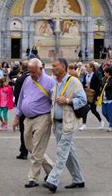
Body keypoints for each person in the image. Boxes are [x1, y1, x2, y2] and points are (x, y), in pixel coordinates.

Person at [43, 58, 86, 193]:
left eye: (55, 66)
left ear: (63, 67)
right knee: (69, 152)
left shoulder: (73, 82)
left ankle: (52, 180)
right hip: (57, 124)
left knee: (62, 152)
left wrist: (67, 100)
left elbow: (83, 99)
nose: (52, 67)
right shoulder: (55, 82)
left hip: (68, 123)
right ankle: (78, 179)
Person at [12, 58, 54, 189]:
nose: (31, 75)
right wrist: (17, 116)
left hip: (42, 117)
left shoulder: (50, 82)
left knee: (37, 149)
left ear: (41, 69)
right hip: (28, 119)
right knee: (29, 146)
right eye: (29, 72)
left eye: (33, 72)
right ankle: (53, 171)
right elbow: (21, 98)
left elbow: (55, 101)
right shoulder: (27, 80)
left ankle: (33, 178)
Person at [79, 62, 103, 131]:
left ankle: (101, 121)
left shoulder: (96, 74)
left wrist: (98, 95)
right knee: (84, 109)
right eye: (86, 67)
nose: (86, 68)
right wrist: (84, 86)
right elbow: (83, 83)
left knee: (93, 110)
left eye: (87, 67)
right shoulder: (86, 75)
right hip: (86, 94)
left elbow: (99, 84)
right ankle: (84, 125)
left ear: (91, 68)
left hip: (93, 94)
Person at [13, 61, 29, 160]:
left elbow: (17, 94)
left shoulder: (20, 79)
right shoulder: (35, 77)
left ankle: (24, 151)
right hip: (35, 109)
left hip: (23, 108)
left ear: (21, 68)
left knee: (23, 130)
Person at [101, 67, 112, 132]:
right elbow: (101, 87)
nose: (104, 73)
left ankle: (111, 125)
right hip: (104, 98)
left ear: (108, 73)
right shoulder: (103, 79)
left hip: (111, 98)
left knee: (109, 112)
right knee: (104, 112)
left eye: (105, 72)